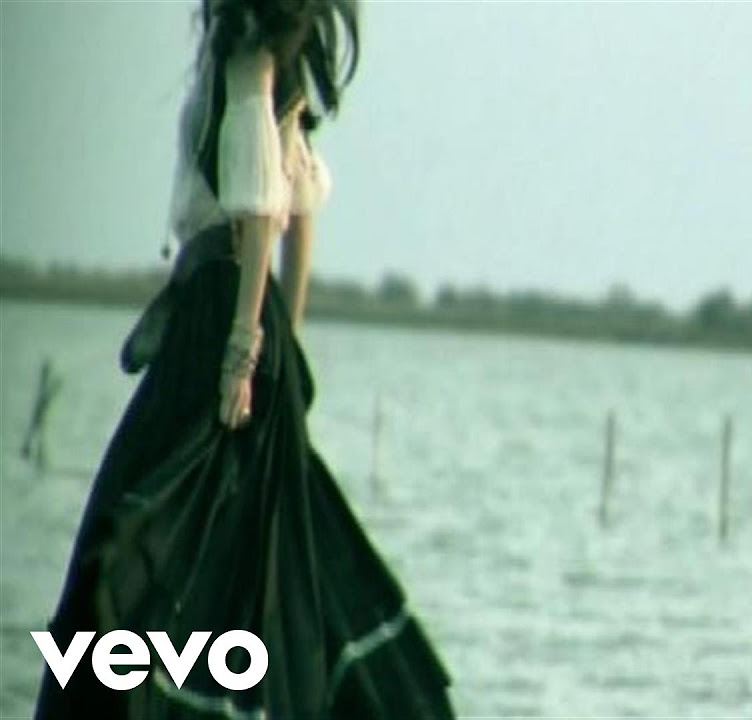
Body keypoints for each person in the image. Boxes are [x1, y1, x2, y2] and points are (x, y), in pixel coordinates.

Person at [34, 1, 455, 717]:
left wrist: (243, 350)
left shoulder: (252, 65)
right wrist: (281, 343)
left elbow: (265, 213)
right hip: (236, 319)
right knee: (234, 545)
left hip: (219, 320)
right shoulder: (257, 63)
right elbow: (298, 214)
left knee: (152, 529)